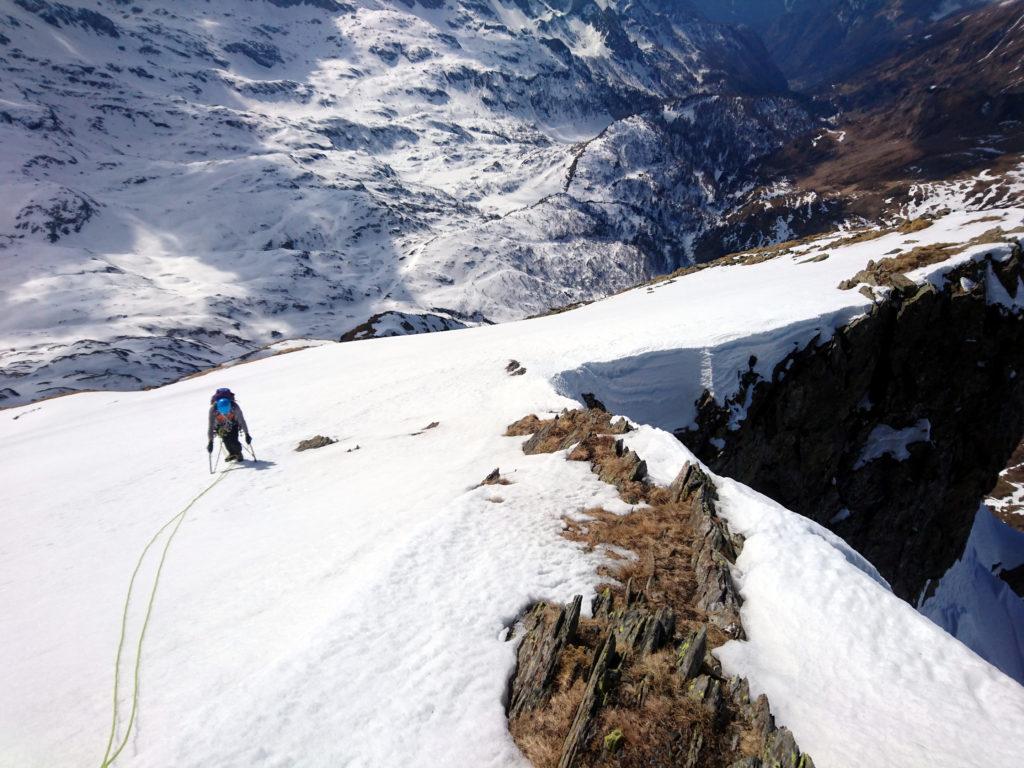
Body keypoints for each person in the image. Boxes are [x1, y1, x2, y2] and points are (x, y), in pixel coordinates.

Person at [206, 387, 252, 462]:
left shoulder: (235, 407)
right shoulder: (213, 410)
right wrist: (210, 441)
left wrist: (247, 434)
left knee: (233, 439)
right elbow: (211, 426)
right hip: (220, 426)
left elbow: (241, 420)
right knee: (226, 440)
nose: (225, 414)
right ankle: (232, 453)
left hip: (233, 423)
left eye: (227, 412)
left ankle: (238, 453)